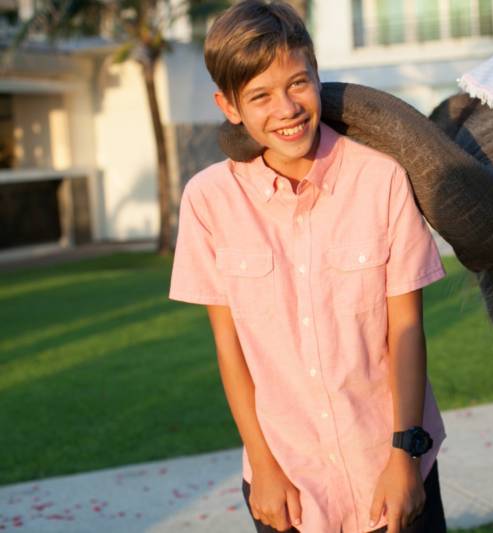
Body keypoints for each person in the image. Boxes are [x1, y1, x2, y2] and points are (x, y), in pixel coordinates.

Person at [168, 1, 448, 532]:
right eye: (260, 96)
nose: (286, 108)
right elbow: (230, 348)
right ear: (230, 107)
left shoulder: (381, 180)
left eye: (298, 83)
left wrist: (405, 457)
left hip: (389, 466)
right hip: (288, 486)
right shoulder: (207, 201)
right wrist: (265, 469)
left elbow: (406, 329)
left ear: (317, 76)